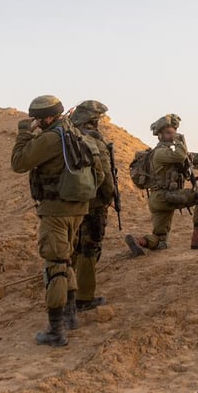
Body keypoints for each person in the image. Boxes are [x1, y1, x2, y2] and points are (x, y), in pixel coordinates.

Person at [10, 94, 101, 347]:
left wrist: (23, 132)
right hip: (78, 209)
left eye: (38, 119)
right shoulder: (75, 133)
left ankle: (56, 329)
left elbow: (18, 162)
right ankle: (71, 316)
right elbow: (99, 172)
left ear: (47, 118)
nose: (36, 122)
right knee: (66, 259)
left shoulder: (51, 138)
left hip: (56, 210)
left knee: (55, 266)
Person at [126, 114, 198, 252]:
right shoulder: (160, 153)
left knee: (161, 242)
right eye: (169, 133)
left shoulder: (162, 153)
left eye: (174, 133)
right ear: (160, 135)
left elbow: (184, 168)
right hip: (166, 197)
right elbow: (180, 155)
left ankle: (139, 241)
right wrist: (180, 141)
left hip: (158, 199)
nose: (173, 136)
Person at [68, 100, 116, 311]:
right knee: (89, 246)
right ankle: (84, 297)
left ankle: (66, 293)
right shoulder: (94, 140)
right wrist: (109, 196)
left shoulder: (66, 138)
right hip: (93, 202)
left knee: (71, 247)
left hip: (68, 203)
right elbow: (104, 174)